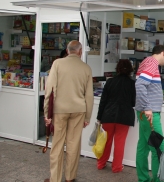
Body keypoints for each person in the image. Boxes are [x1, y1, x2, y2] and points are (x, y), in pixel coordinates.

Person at [44, 40, 94, 182]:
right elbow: (89, 95)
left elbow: (50, 89)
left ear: (67, 50)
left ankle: (55, 178)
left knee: (57, 144)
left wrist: (47, 112)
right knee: (73, 144)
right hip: (79, 110)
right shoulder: (86, 68)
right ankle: (70, 177)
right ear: (80, 51)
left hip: (60, 110)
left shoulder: (57, 64)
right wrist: (88, 117)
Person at [135, 45, 164, 182]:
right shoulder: (152, 63)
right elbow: (140, 84)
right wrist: (147, 107)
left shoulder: (146, 62)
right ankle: (158, 179)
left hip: (144, 113)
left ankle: (143, 179)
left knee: (143, 147)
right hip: (150, 114)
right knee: (158, 148)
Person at [96, 59, 136, 172]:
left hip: (108, 115)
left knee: (106, 142)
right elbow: (133, 102)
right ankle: (116, 167)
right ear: (130, 70)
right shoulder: (132, 84)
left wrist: (99, 117)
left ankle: (101, 163)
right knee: (120, 142)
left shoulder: (110, 82)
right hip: (124, 117)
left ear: (117, 69)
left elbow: (103, 101)